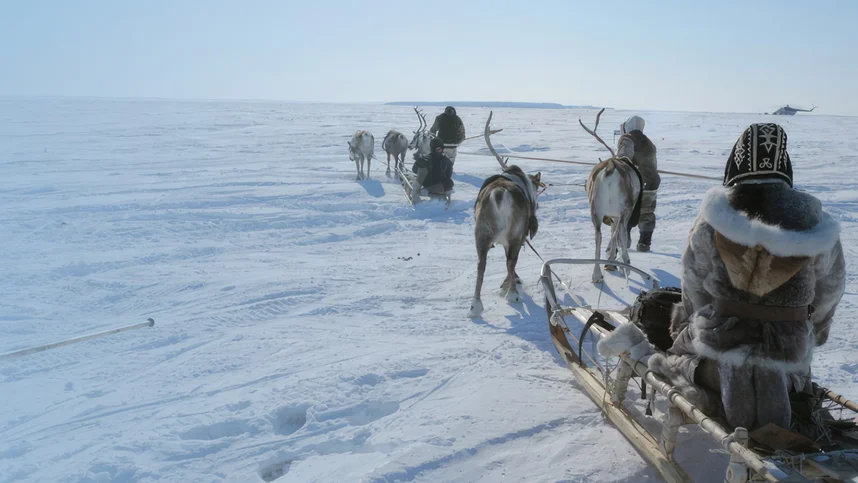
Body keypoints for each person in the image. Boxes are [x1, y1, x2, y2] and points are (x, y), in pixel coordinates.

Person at [646, 123, 846, 432]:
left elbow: (693, 284)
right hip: (788, 358)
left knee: (675, 354)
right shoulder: (817, 223)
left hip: (720, 348)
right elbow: (830, 290)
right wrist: (809, 333)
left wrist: (689, 325)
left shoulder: (714, 217)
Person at [618, 115, 660, 252]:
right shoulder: (649, 143)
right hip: (651, 183)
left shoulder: (627, 138)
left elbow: (624, 158)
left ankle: (626, 240)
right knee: (647, 213)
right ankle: (644, 243)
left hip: (634, 183)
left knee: (627, 211)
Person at [410, 138, 454, 203]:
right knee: (423, 167)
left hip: (435, 186)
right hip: (444, 186)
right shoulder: (446, 159)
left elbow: (415, 170)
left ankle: (415, 194)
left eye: (439, 149)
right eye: (437, 149)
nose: (439, 151)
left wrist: (419, 161)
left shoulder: (429, 159)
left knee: (422, 169)